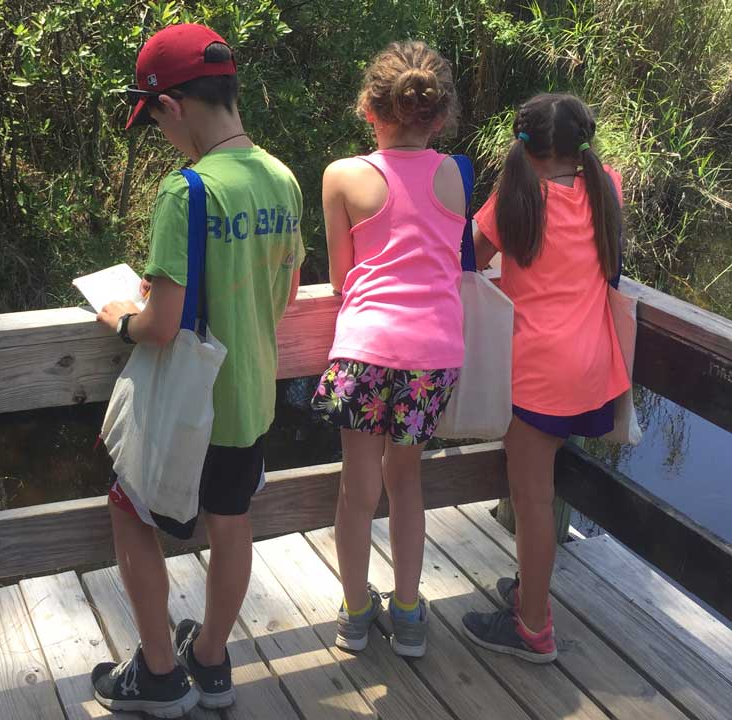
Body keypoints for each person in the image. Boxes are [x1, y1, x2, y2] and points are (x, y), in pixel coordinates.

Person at [90, 23, 304, 717]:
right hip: (251, 400)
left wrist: (121, 315)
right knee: (232, 521)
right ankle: (211, 660)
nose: (160, 135)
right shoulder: (281, 177)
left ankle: (158, 676)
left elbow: (161, 326)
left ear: (174, 105)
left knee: (129, 515)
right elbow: (287, 291)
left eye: (154, 119)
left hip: (190, 405)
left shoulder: (187, 193)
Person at [312, 40, 466, 658]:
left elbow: (341, 277)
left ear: (369, 109)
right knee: (407, 484)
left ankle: (354, 616)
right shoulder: (454, 173)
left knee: (357, 489)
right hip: (433, 354)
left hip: (364, 349)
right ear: (438, 116)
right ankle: (407, 616)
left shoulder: (343, 176)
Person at [461, 93, 627, 663]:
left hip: (536, 376)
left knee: (532, 502)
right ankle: (529, 591)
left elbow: (469, 258)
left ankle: (533, 627)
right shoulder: (606, 187)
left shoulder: (514, 199)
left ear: (524, 147)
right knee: (542, 497)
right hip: (594, 373)